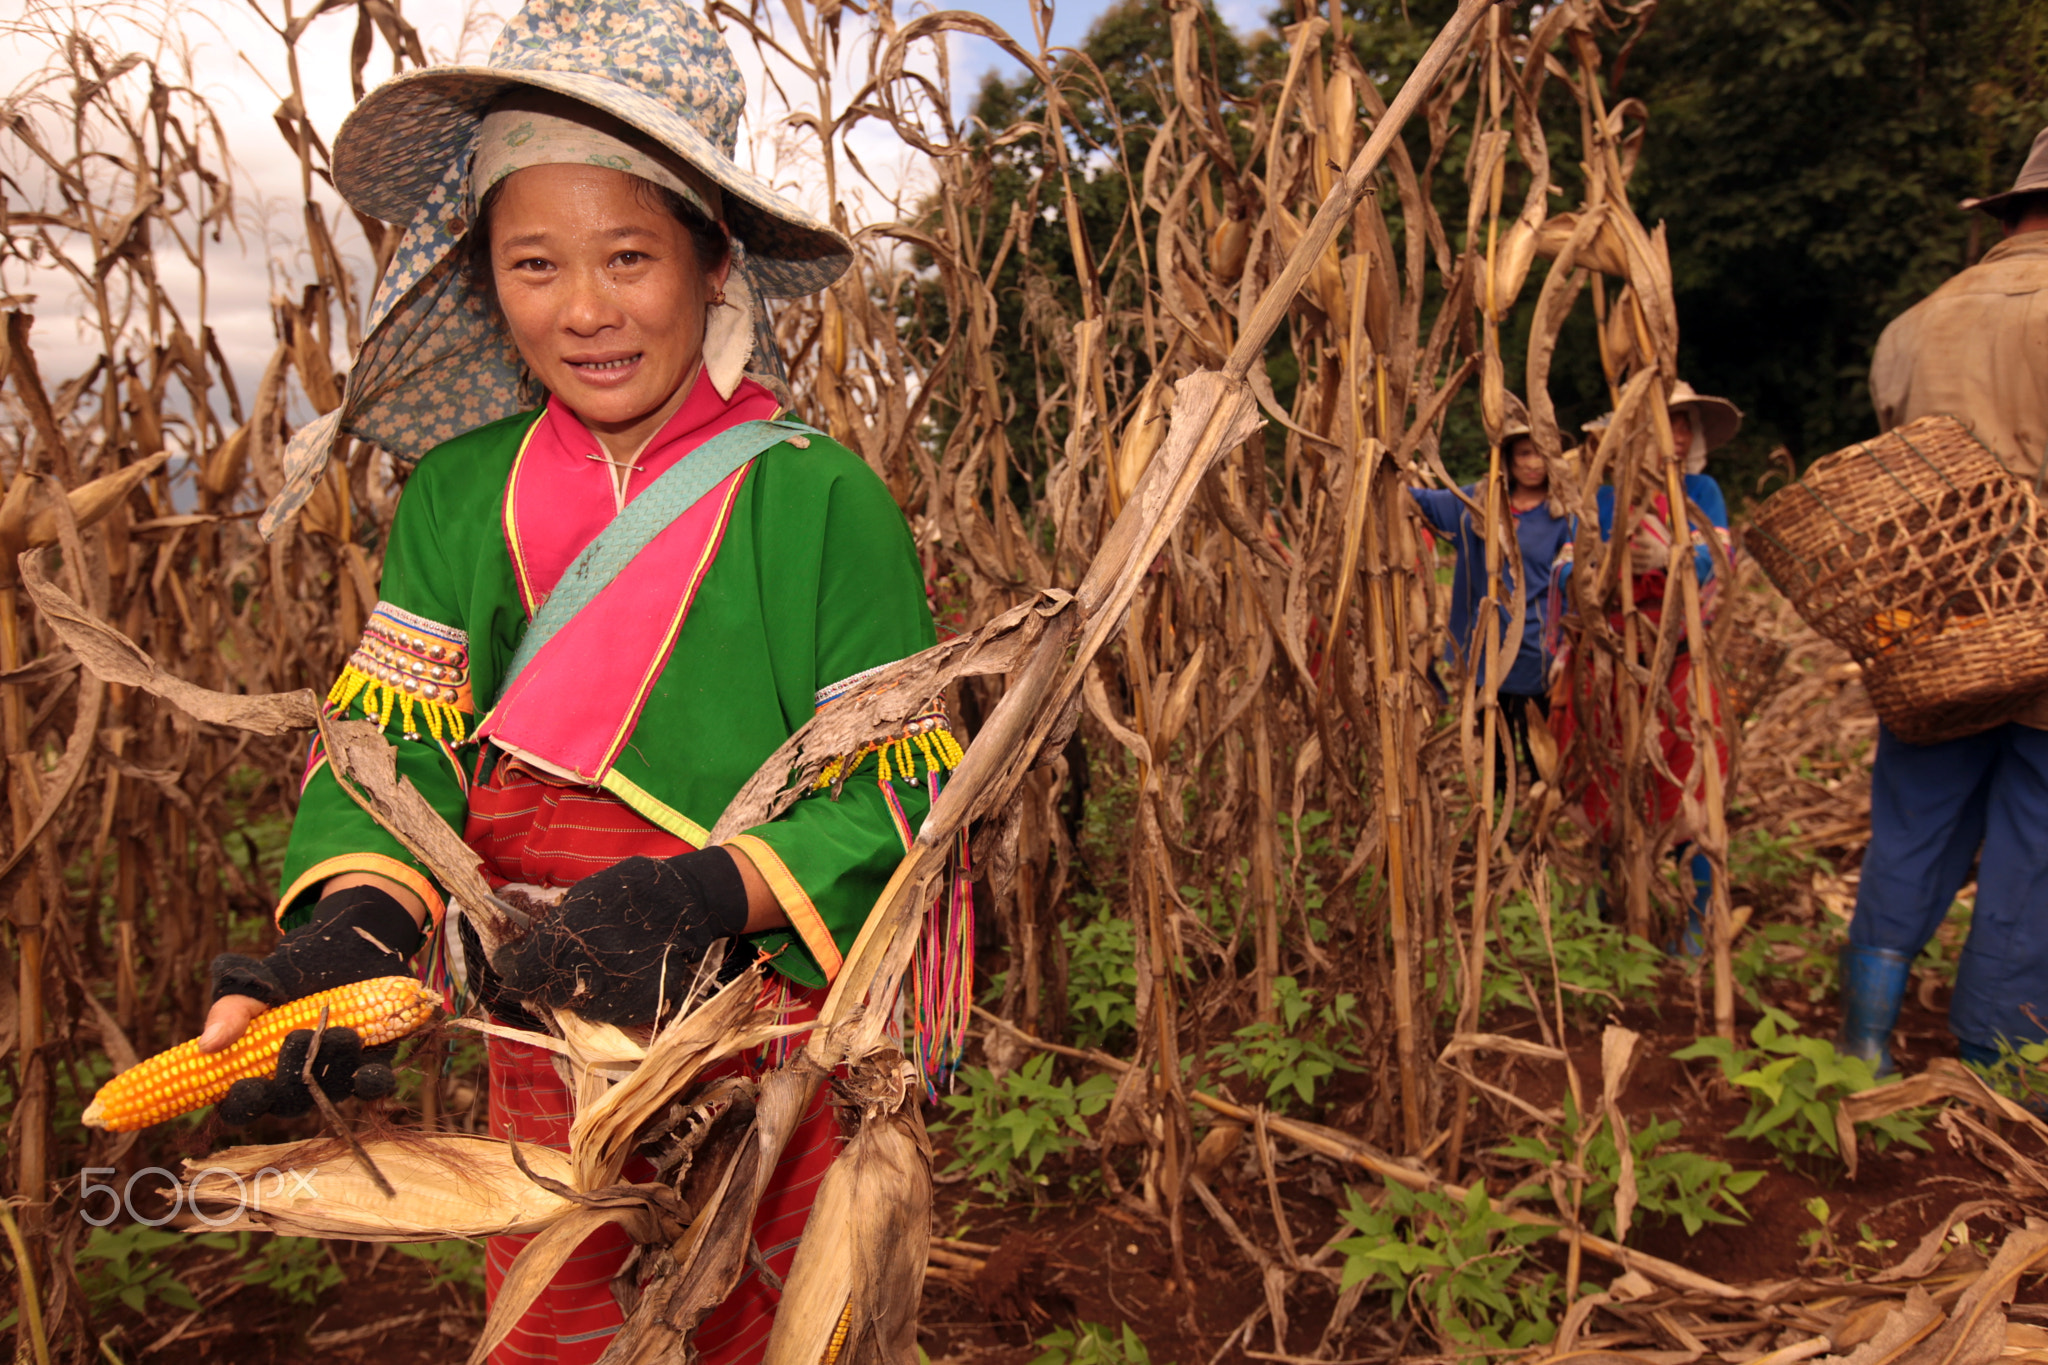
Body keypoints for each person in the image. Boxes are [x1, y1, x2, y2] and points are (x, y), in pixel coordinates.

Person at [190, 0, 957, 1358]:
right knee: (561, 1315)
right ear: (484, 275)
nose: (587, 309)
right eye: (535, 263)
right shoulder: (454, 497)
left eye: (629, 257)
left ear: (714, 263)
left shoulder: (824, 503)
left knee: (754, 1314)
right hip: (541, 1017)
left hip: (753, 1030)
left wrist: (700, 893)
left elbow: (904, 798)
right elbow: (393, 752)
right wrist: (357, 931)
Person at [1842, 126, 2048, 1074]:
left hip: (1931, 625)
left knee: (1915, 821)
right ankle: (2000, 1065)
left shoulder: (1913, 325)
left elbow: (1892, 477)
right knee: (2034, 843)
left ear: (2008, 215)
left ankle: (1867, 1040)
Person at [1549, 382, 1739, 954]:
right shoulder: (1605, 497)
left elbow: (1723, 560)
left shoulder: (1702, 491)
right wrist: (1604, 570)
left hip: (1682, 668)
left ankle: (1696, 927)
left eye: (1684, 425)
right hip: (1613, 672)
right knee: (1609, 782)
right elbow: (1565, 569)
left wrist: (1675, 557)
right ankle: (1611, 915)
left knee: (1695, 790)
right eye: (1665, 423)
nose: (1676, 436)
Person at [1409, 395, 1576, 788]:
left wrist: (1567, 646)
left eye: (1541, 454)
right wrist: (1393, 465)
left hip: (1539, 653)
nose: (1533, 463)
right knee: (1495, 756)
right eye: (1524, 453)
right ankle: (1500, 825)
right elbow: (1419, 501)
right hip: (1485, 651)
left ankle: (1540, 826)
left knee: (1541, 752)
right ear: (1509, 459)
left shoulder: (1563, 516)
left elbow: (1578, 583)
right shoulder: (1477, 503)